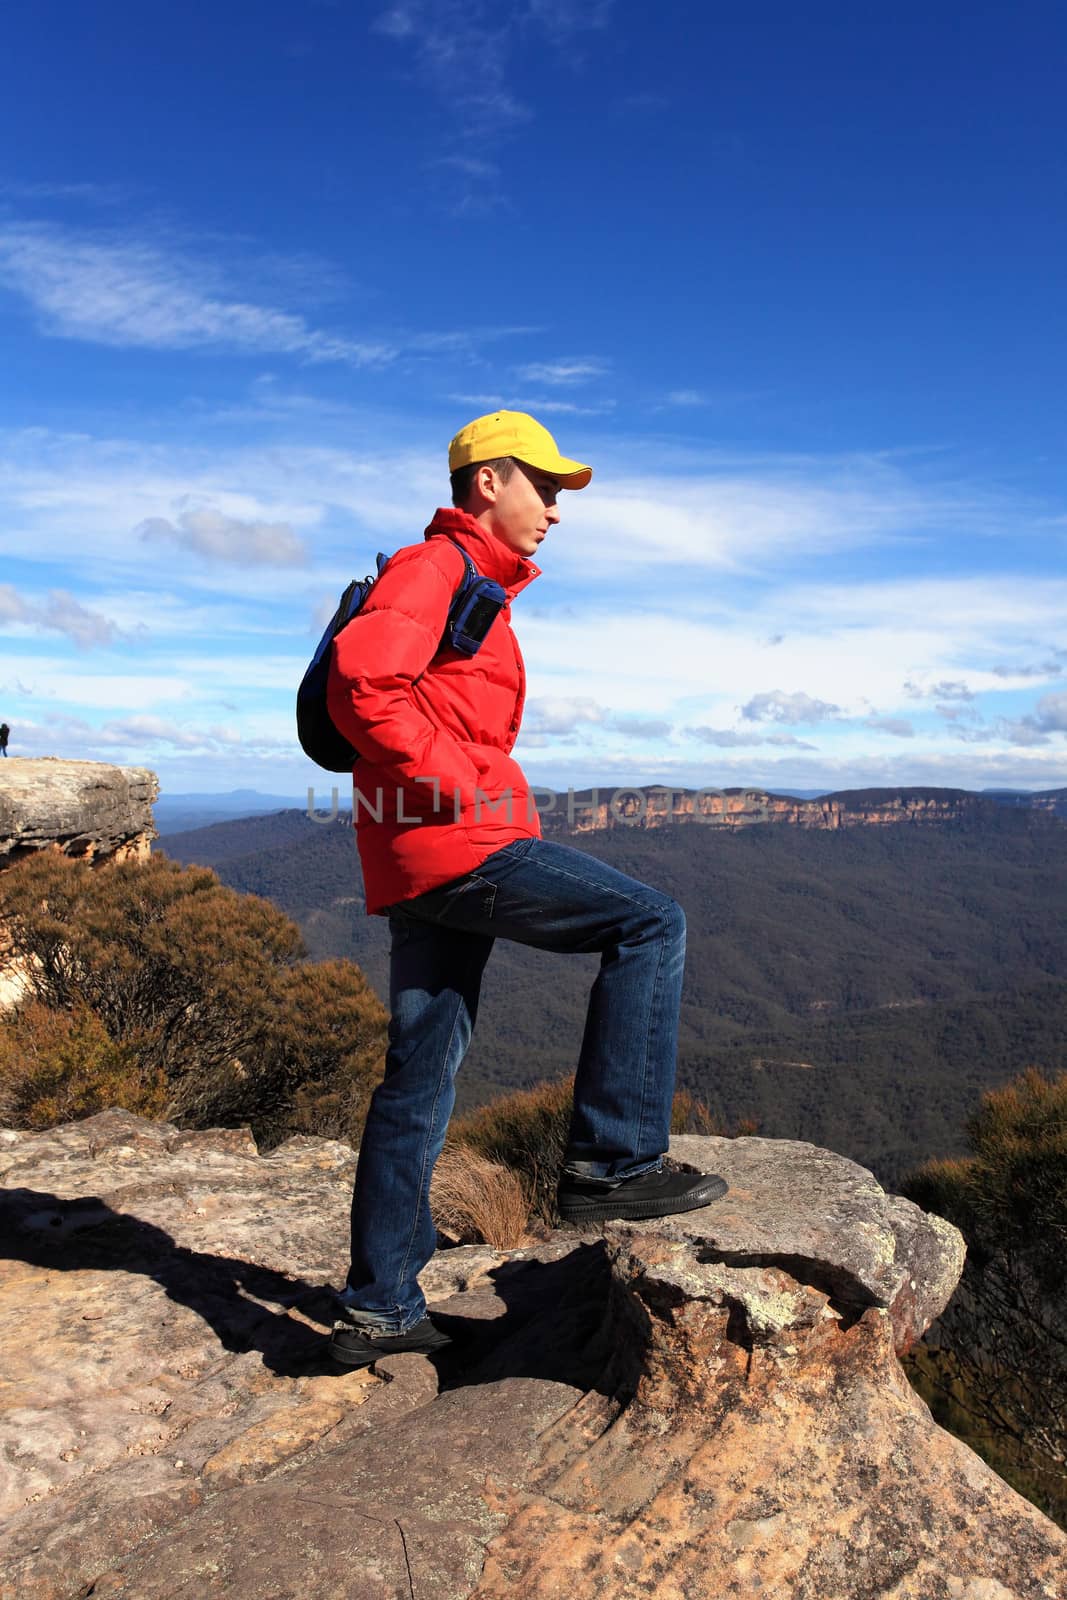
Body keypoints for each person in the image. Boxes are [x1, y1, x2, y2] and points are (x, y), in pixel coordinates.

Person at [324, 411, 727, 1369]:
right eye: (543, 486)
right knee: (649, 924)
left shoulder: (466, 583)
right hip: (459, 847)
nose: (555, 507)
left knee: (418, 1080)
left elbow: (398, 694)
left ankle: (377, 1304)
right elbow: (358, 683)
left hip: (414, 860)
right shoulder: (434, 569)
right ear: (487, 482)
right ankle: (611, 1162)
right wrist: (461, 790)